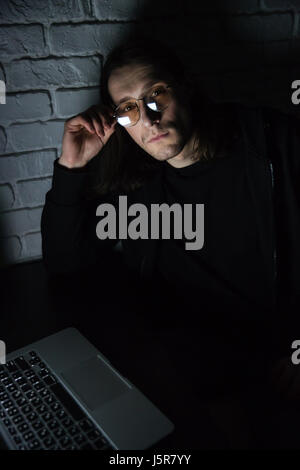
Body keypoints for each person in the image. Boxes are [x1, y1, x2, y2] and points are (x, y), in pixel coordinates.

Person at [41, 36, 300, 448]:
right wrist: (71, 167)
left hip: (276, 361)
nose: (149, 118)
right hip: (190, 376)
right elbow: (65, 263)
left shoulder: (271, 143)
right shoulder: (137, 183)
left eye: (155, 94)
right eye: (128, 109)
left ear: (187, 86)